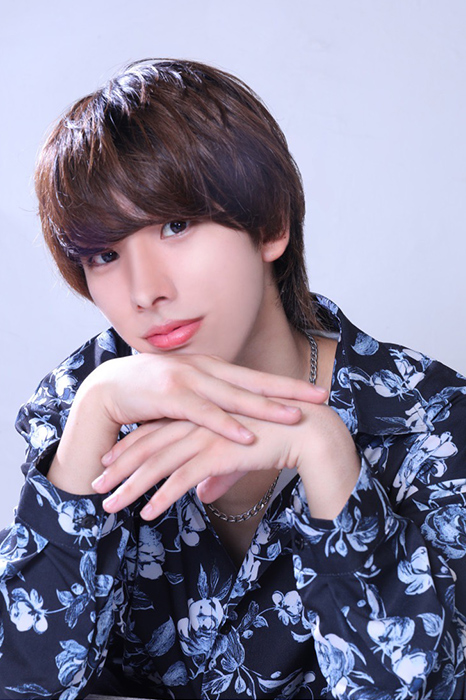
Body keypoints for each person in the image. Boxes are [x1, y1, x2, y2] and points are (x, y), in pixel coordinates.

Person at [0, 59, 465, 700]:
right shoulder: (81, 400)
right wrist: (93, 417)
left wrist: (326, 455)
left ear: (270, 225)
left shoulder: (429, 421)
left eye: (176, 226)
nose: (145, 292)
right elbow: (21, 681)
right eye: (105, 254)